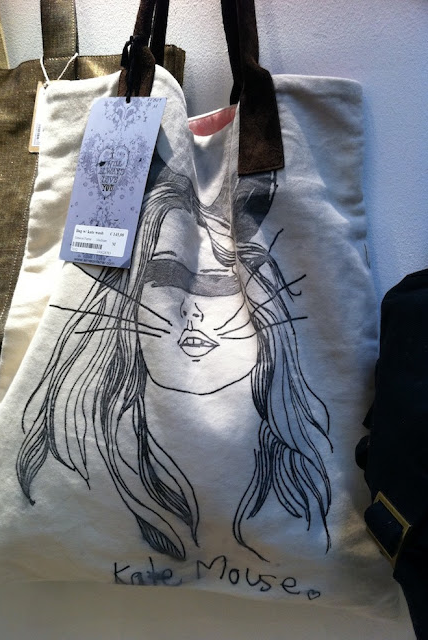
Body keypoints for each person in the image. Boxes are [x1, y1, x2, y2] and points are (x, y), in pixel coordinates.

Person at [17, 154, 332, 562]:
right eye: (165, 276)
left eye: (219, 283)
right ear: (130, 295)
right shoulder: (71, 455)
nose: (192, 311)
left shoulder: (298, 472)